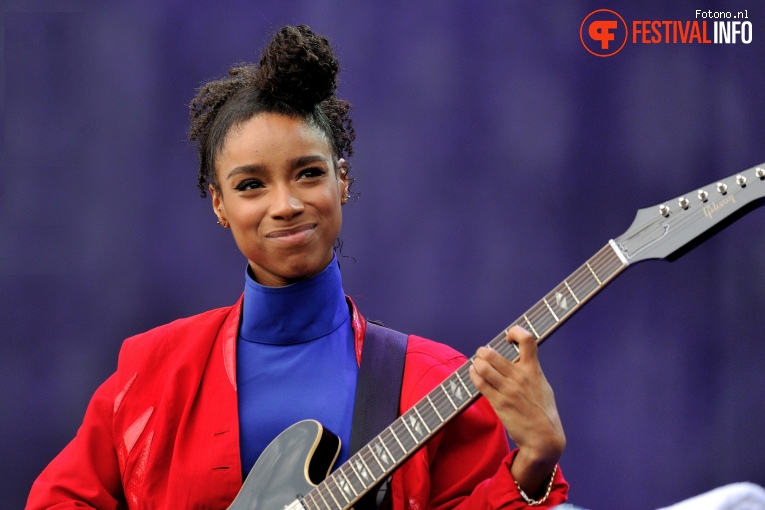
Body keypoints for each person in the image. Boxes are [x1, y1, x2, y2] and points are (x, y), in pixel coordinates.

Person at [26, 25, 568, 509]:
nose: (284, 203)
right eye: (251, 185)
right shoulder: (153, 369)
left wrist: (536, 459)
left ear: (343, 181)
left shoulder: (430, 380)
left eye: (308, 173)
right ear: (219, 204)